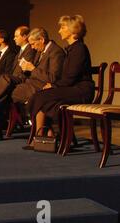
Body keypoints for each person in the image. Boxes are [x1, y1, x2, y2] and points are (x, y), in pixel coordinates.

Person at [26, 15, 94, 146]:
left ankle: (39, 137)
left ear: (73, 30)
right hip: (73, 88)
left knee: (41, 96)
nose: (59, 31)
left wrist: (53, 85)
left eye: (62, 27)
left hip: (81, 90)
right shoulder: (72, 49)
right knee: (47, 100)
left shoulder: (79, 49)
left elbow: (70, 78)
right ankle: (52, 135)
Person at [0, 26, 36, 140]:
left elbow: (25, 71)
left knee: (0, 89)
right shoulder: (21, 51)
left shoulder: (30, 50)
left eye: (16, 36)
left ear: (25, 37)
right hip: (13, 80)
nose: (14, 38)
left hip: (21, 80)